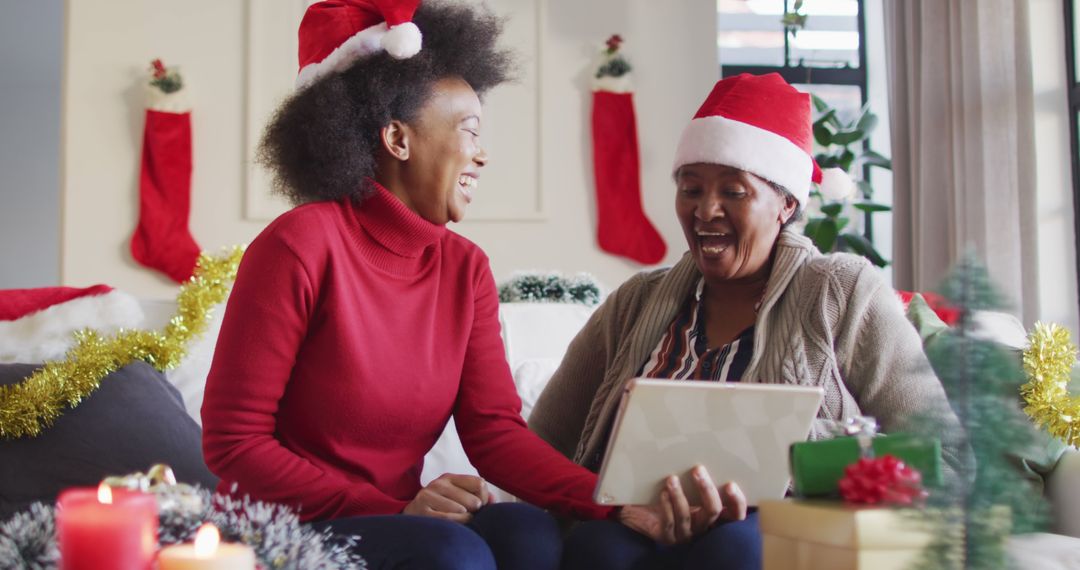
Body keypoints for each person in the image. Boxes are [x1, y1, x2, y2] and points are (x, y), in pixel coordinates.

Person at [200, 2, 613, 568]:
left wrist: (610, 503)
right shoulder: (300, 245)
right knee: (452, 552)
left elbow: (493, 433)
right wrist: (392, 510)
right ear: (397, 139)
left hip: (402, 517)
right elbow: (235, 445)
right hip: (286, 524)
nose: (481, 155)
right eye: (468, 132)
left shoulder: (465, 269)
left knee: (530, 535)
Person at [528, 73, 965, 570]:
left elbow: (945, 459)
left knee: (735, 548)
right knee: (595, 549)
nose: (706, 209)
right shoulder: (636, 302)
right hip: (636, 527)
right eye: (690, 189)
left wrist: (783, 456)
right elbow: (542, 444)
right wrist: (609, 501)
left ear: (786, 204)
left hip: (778, 530)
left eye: (733, 192)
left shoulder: (842, 291)